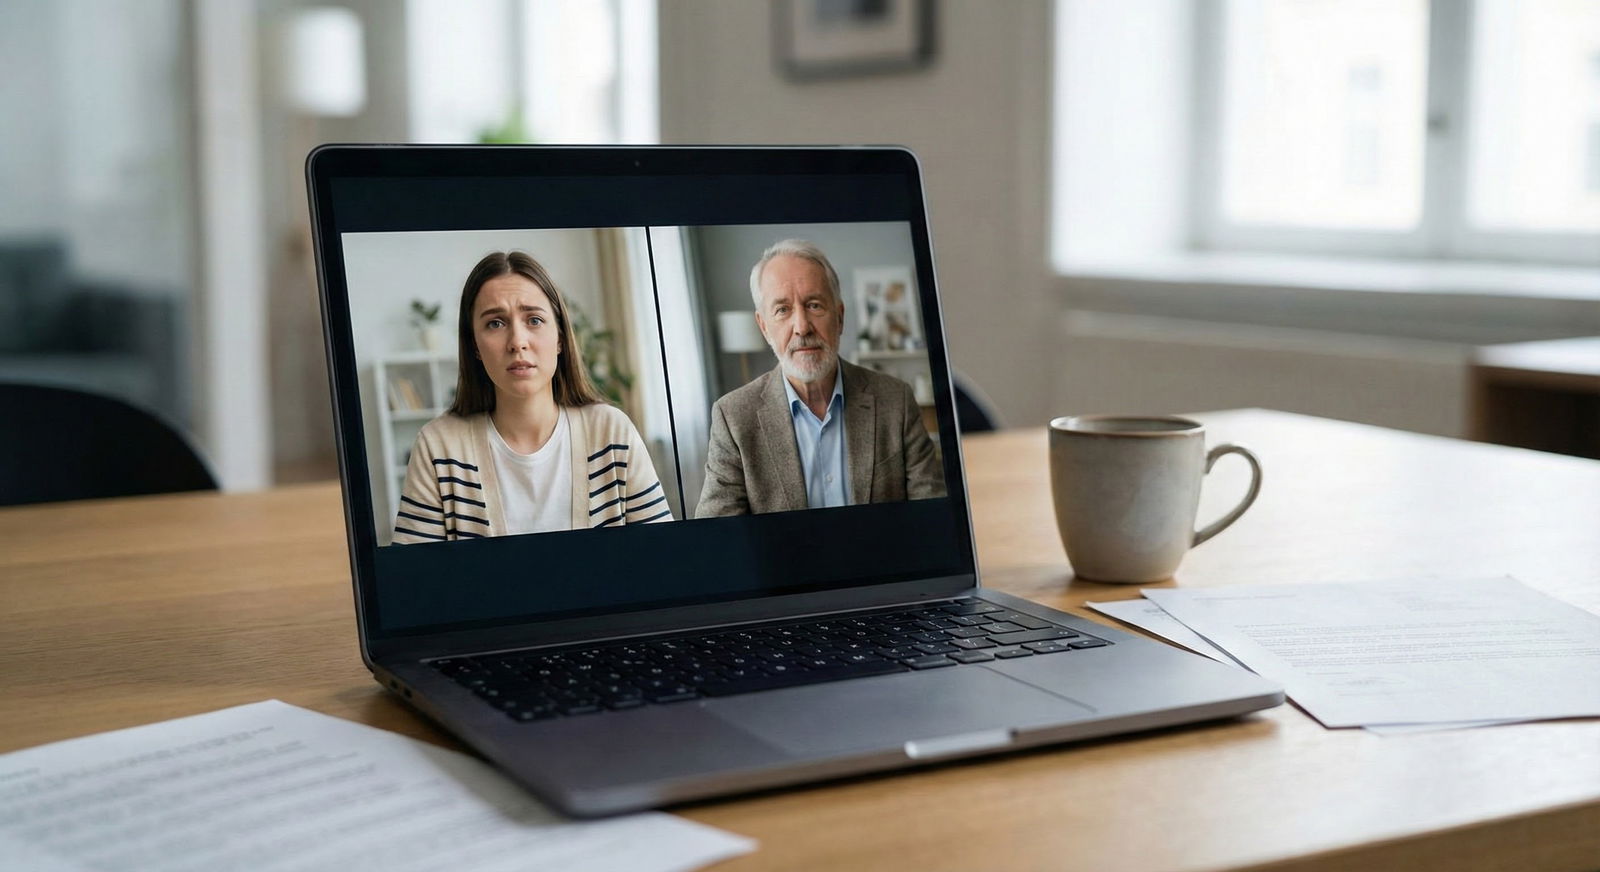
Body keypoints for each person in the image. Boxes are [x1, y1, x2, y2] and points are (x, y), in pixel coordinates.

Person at [392, 251, 671, 543]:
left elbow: (664, 559)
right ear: (475, 346)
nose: (517, 342)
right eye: (495, 324)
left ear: (560, 338)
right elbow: (415, 584)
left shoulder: (611, 431)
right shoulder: (438, 445)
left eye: (534, 320)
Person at [696, 239, 945, 517]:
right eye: (782, 309)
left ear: (839, 317)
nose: (802, 327)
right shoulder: (732, 417)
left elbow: (932, 514)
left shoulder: (895, 399)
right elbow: (718, 537)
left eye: (814, 305)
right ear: (764, 327)